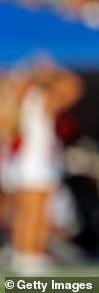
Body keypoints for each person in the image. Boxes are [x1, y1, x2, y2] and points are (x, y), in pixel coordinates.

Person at [1, 60, 83, 275]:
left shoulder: (39, 97)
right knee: (31, 211)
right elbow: (73, 88)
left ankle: (32, 252)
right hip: (31, 162)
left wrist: (49, 73)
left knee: (37, 211)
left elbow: (73, 88)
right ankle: (27, 254)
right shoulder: (29, 98)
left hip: (41, 162)